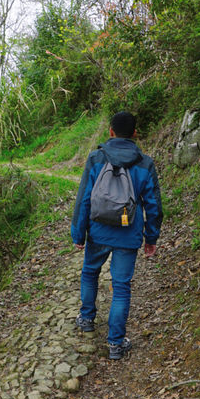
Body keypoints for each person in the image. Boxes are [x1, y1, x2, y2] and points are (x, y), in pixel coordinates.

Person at [71, 111, 163, 360]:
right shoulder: (145, 163)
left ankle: (87, 319)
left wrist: (78, 233)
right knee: (121, 287)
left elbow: (84, 199)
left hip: (98, 231)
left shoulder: (96, 158)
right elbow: (153, 205)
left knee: (90, 272)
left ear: (110, 131)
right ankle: (115, 344)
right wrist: (151, 238)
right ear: (135, 134)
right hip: (128, 232)